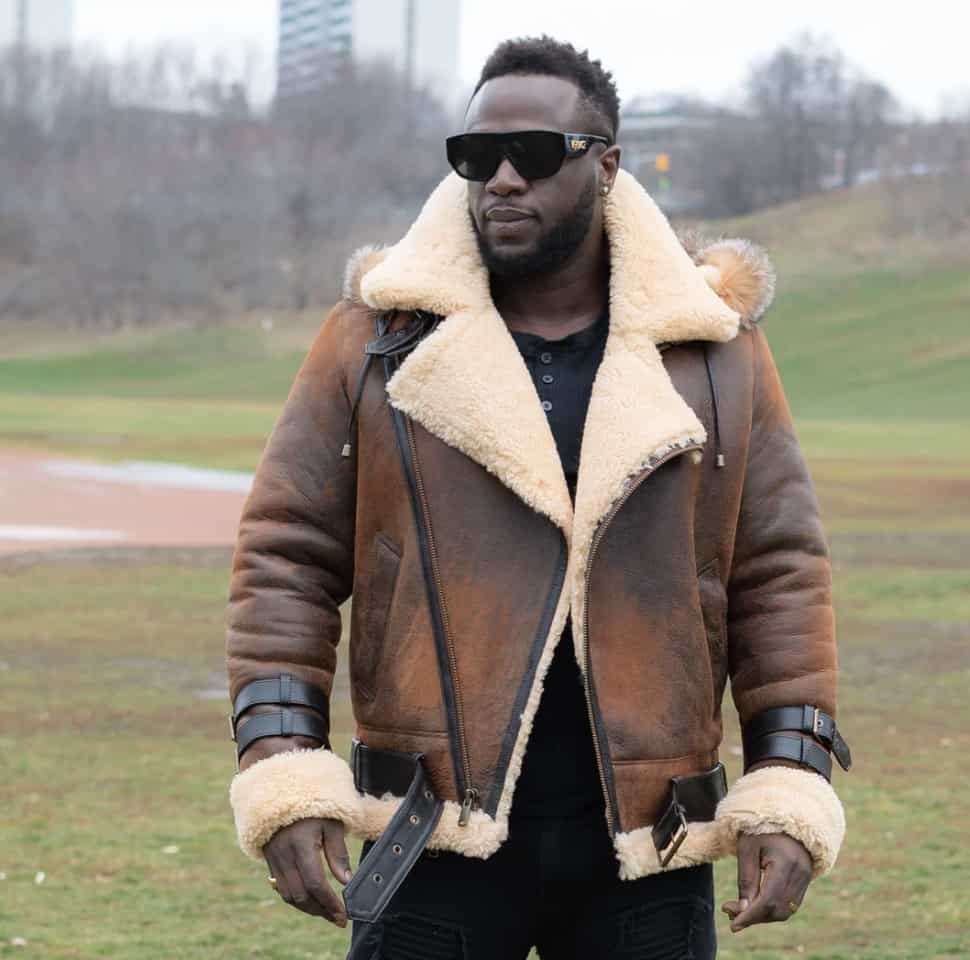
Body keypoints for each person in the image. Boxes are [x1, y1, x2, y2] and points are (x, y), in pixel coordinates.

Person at [224, 36, 852, 960]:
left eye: (536, 155)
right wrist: (281, 766)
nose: (503, 180)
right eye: (478, 157)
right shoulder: (374, 338)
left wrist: (790, 781)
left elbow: (779, 573)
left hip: (650, 845)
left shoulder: (715, 351)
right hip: (428, 830)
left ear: (606, 166)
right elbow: (285, 558)